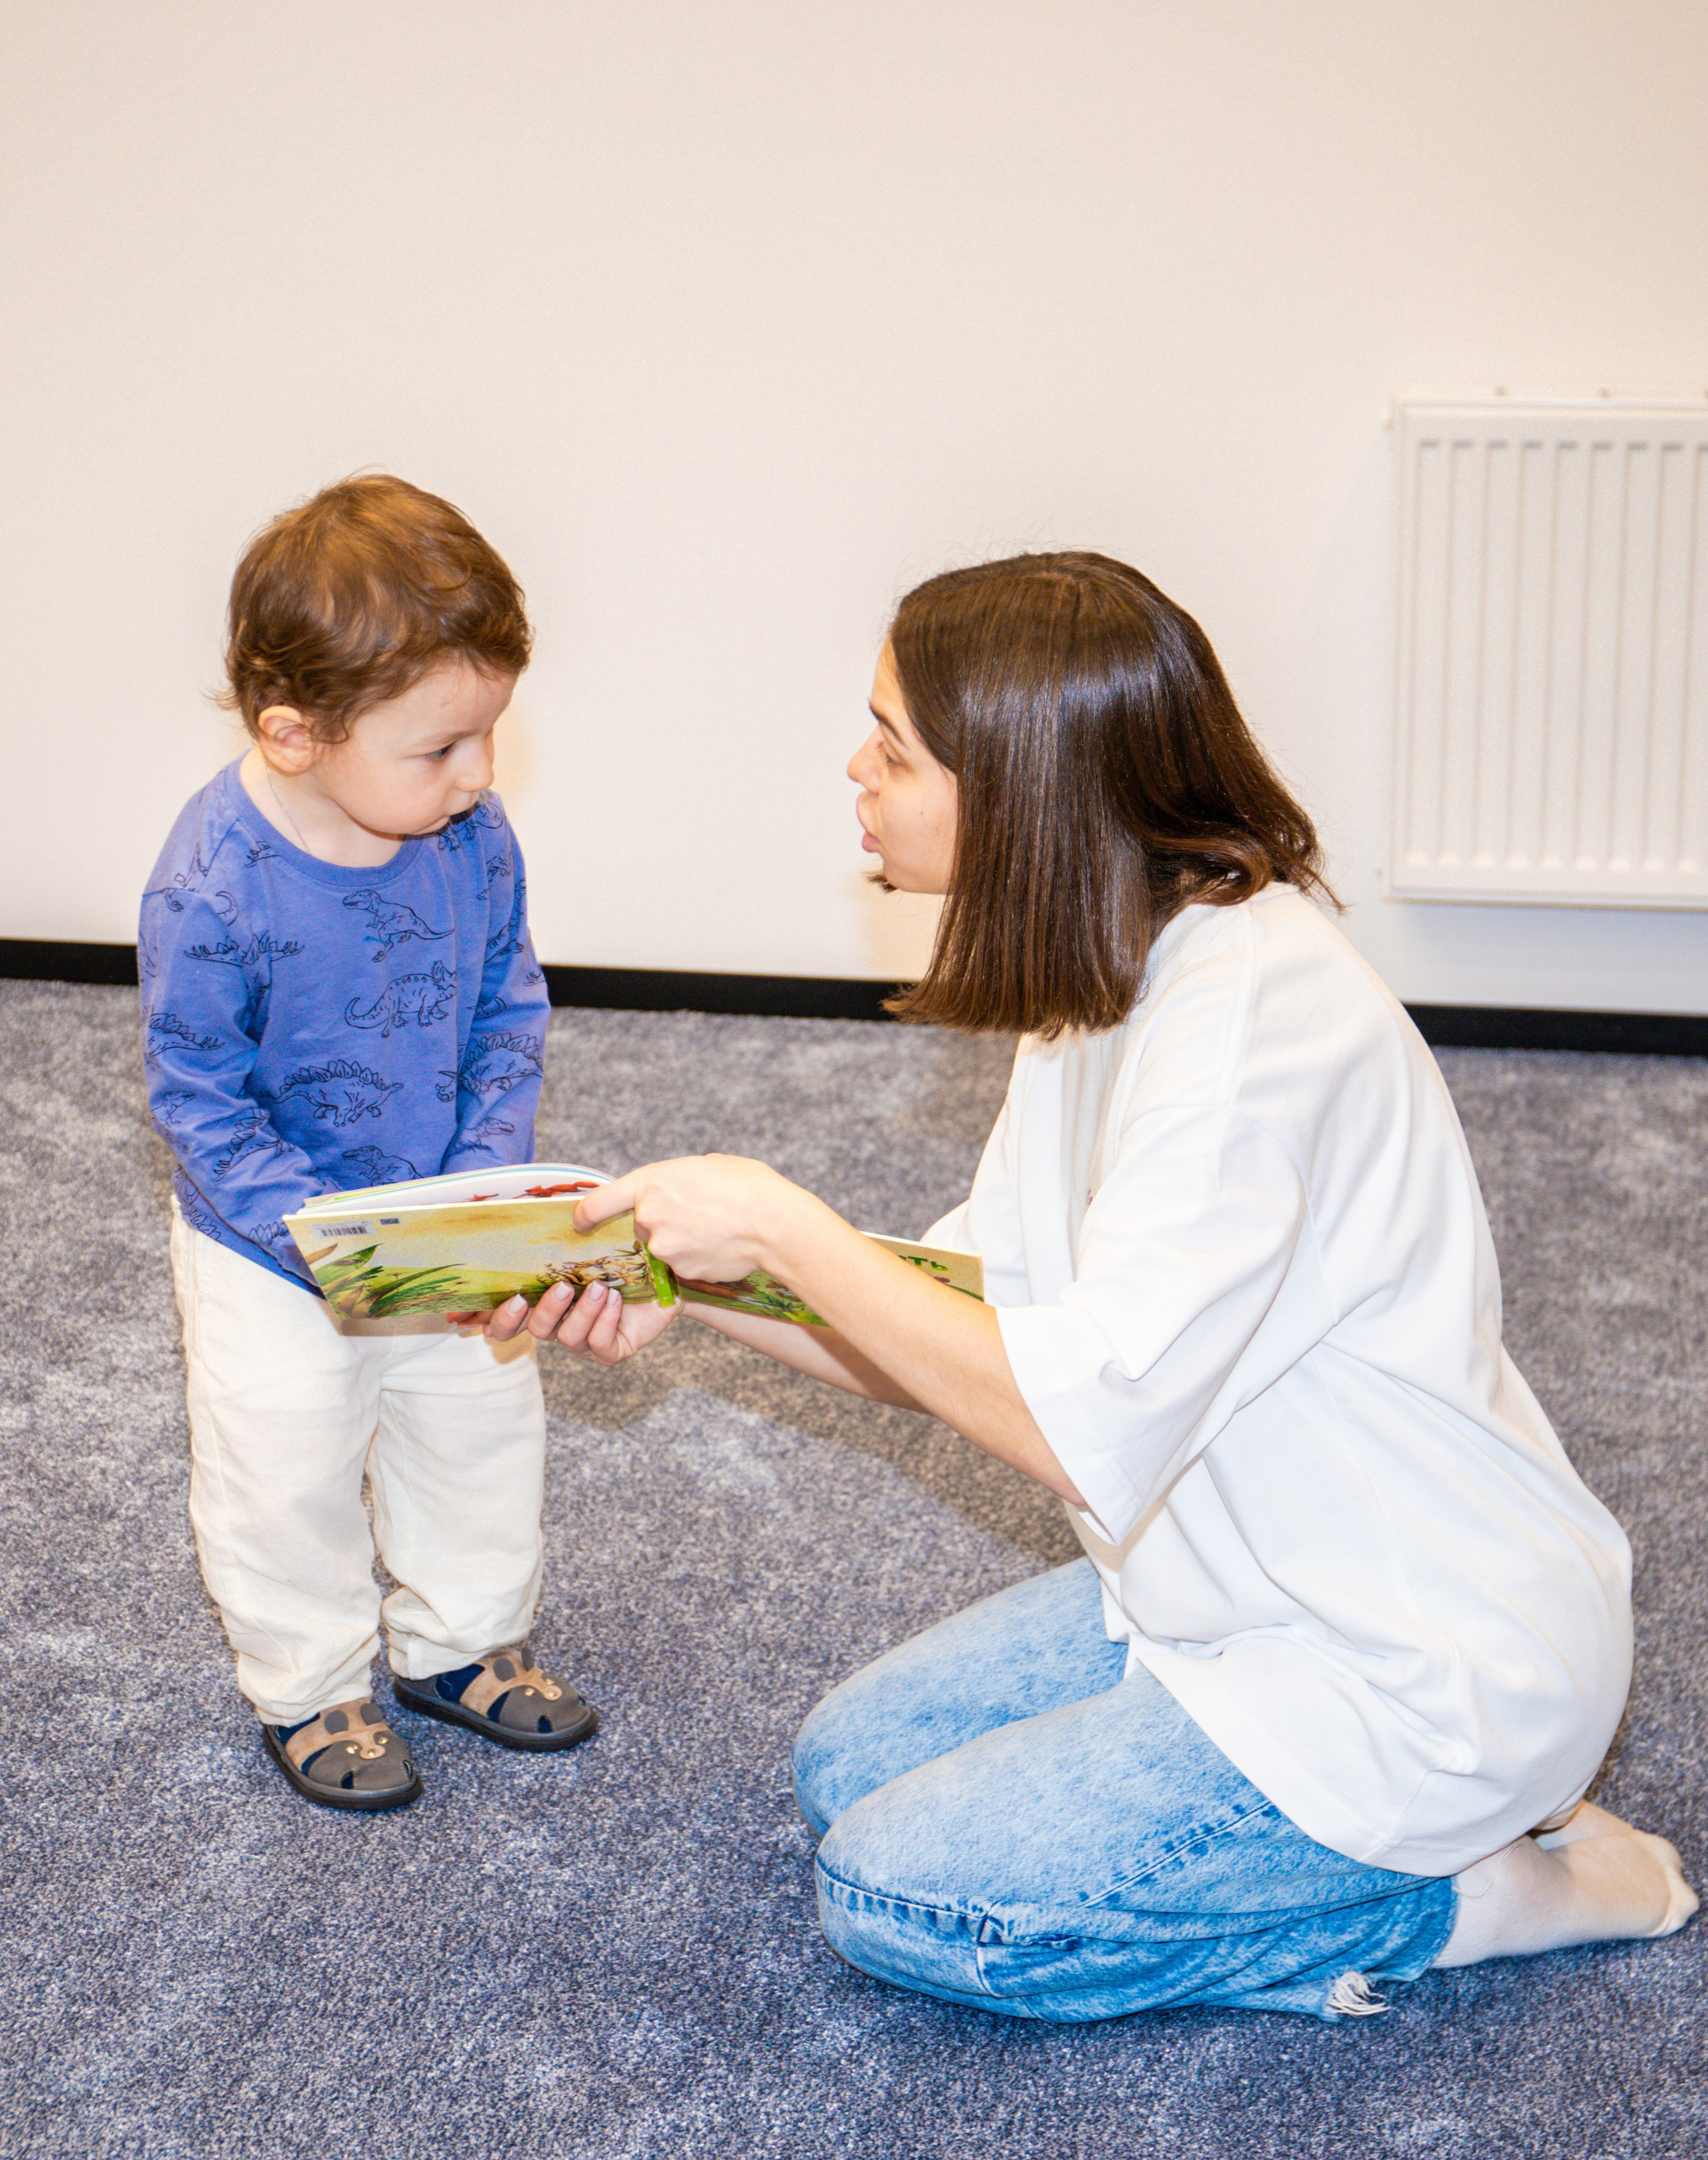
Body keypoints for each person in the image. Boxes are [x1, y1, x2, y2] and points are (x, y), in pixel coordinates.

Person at [480, 550, 1695, 2021]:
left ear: (1020, 790)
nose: (852, 770)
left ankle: (1472, 1892)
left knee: (901, 1896)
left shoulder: (1248, 1026)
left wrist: (787, 1229)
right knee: (842, 1772)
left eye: (894, 745)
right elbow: (958, 1315)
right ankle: (1391, 1849)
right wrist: (687, 1282)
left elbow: (1071, 1423)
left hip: (1415, 1658)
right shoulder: (1109, 971)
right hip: (1227, 1577)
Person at [139, 476, 596, 1812]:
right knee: (281, 1466)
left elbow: (508, 998)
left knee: (476, 1431)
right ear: (292, 734)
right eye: (440, 748)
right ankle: (311, 1680)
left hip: (446, 1211)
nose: (480, 777)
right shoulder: (212, 881)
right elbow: (200, 1095)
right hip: (271, 1249)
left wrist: (482, 1173)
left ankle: (457, 1642)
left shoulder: (472, 837)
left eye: (488, 736)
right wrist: (317, 1239)